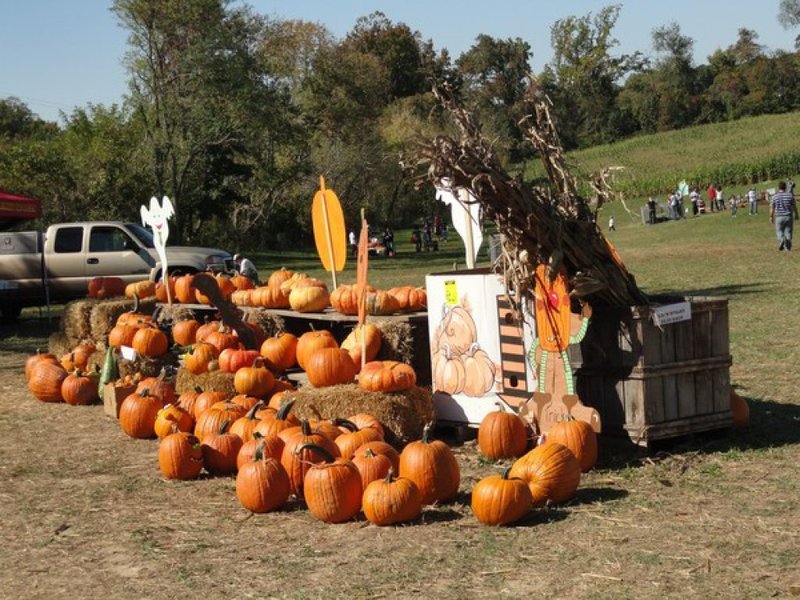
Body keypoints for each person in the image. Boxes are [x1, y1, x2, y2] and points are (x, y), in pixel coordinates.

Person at [769, 181, 799, 251]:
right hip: (788, 216)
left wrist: (771, 216)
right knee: (788, 232)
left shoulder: (774, 196)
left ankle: (781, 239)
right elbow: (794, 206)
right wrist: (796, 215)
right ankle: (788, 248)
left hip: (779, 217)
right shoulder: (789, 195)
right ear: (785, 187)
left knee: (779, 231)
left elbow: (772, 208)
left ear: (778, 187)